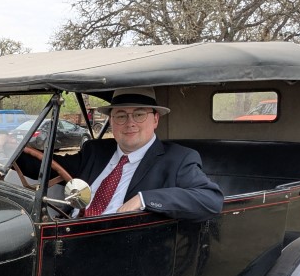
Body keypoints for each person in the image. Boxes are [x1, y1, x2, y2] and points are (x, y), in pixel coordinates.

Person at [20, 86, 223, 221]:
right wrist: (12, 151)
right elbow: (47, 167)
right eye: (121, 115)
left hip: (124, 251)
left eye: (139, 114)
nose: (130, 123)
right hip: (67, 233)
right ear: (112, 121)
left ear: (155, 120)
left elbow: (210, 199)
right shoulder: (96, 151)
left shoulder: (178, 159)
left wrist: (144, 199)